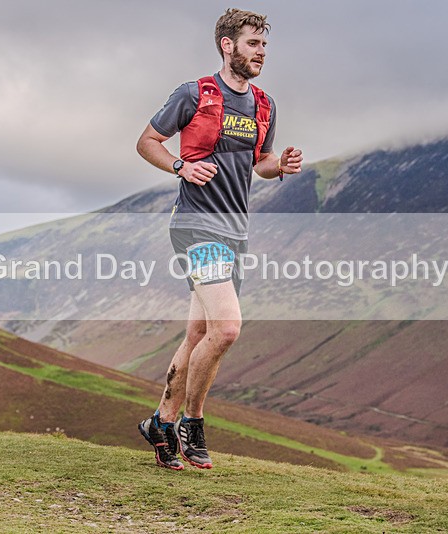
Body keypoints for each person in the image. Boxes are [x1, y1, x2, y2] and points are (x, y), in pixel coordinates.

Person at [136, 8, 303, 469]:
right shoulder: (193, 94)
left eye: (265, 45)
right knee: (227, 329)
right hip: (196, 225)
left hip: (236, 230)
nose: (261, 52)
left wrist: (280, 166)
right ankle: (193, 422)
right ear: (227, 46)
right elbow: (147, 140)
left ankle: (160, 422)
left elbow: (260, 163)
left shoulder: (264, 104)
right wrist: (180, 166)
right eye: (253, 44)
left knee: (199, 334)